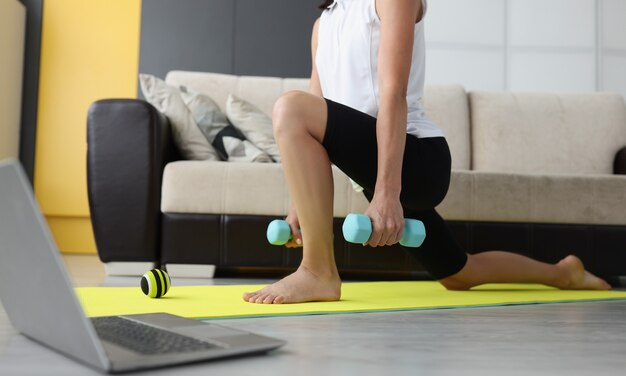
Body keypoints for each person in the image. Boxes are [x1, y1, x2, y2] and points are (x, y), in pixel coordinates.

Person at [243, 0, 611, 304]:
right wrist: (299, 208)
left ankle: (318, 272)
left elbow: (393, 94)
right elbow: (317, 120)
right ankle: (564, 273)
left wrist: (388, 192)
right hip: (374, 169)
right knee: (459, 273)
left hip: (417, 161)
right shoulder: (324, 23)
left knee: (290, 107)